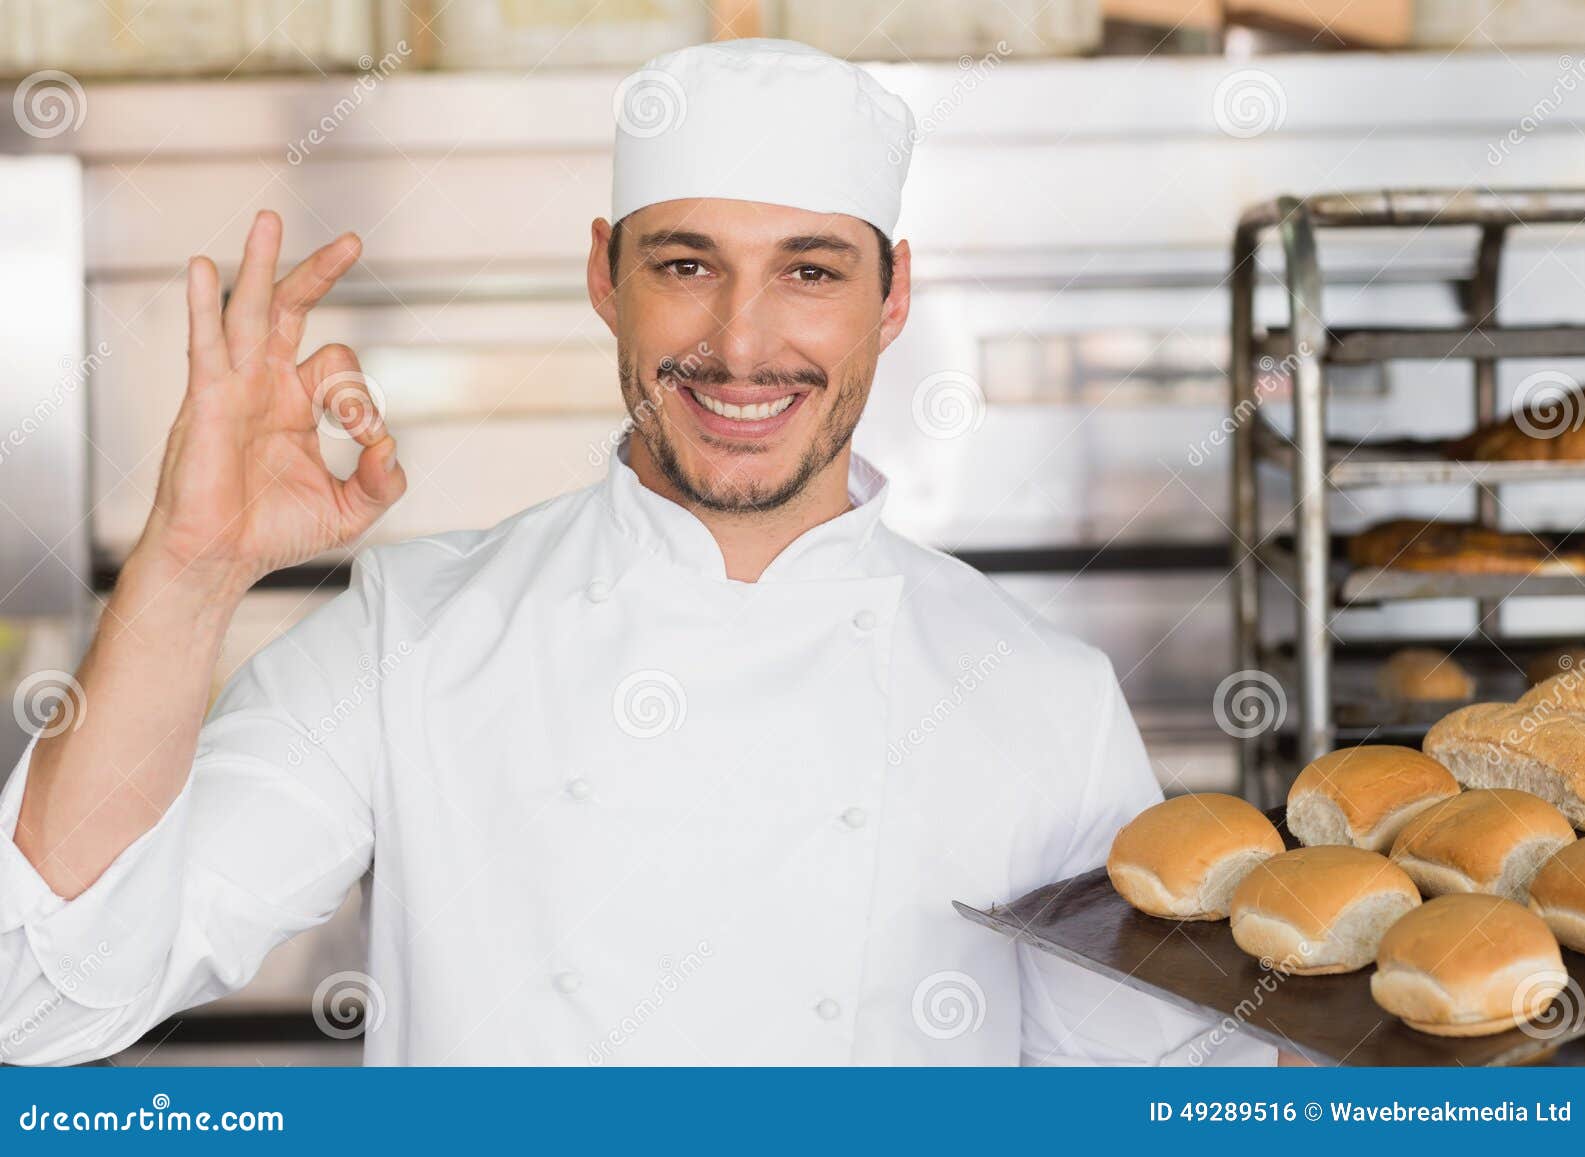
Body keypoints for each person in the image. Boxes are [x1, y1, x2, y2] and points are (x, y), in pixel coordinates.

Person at [0, 38, 1274, 1066]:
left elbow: (1151, 1098)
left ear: (890, 299)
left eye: (809, 271)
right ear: (605, 276)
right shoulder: (417, 635)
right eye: (686, 263)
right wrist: (191, 564)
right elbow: (41, 1004)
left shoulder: (1038, 695)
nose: (740, 340)